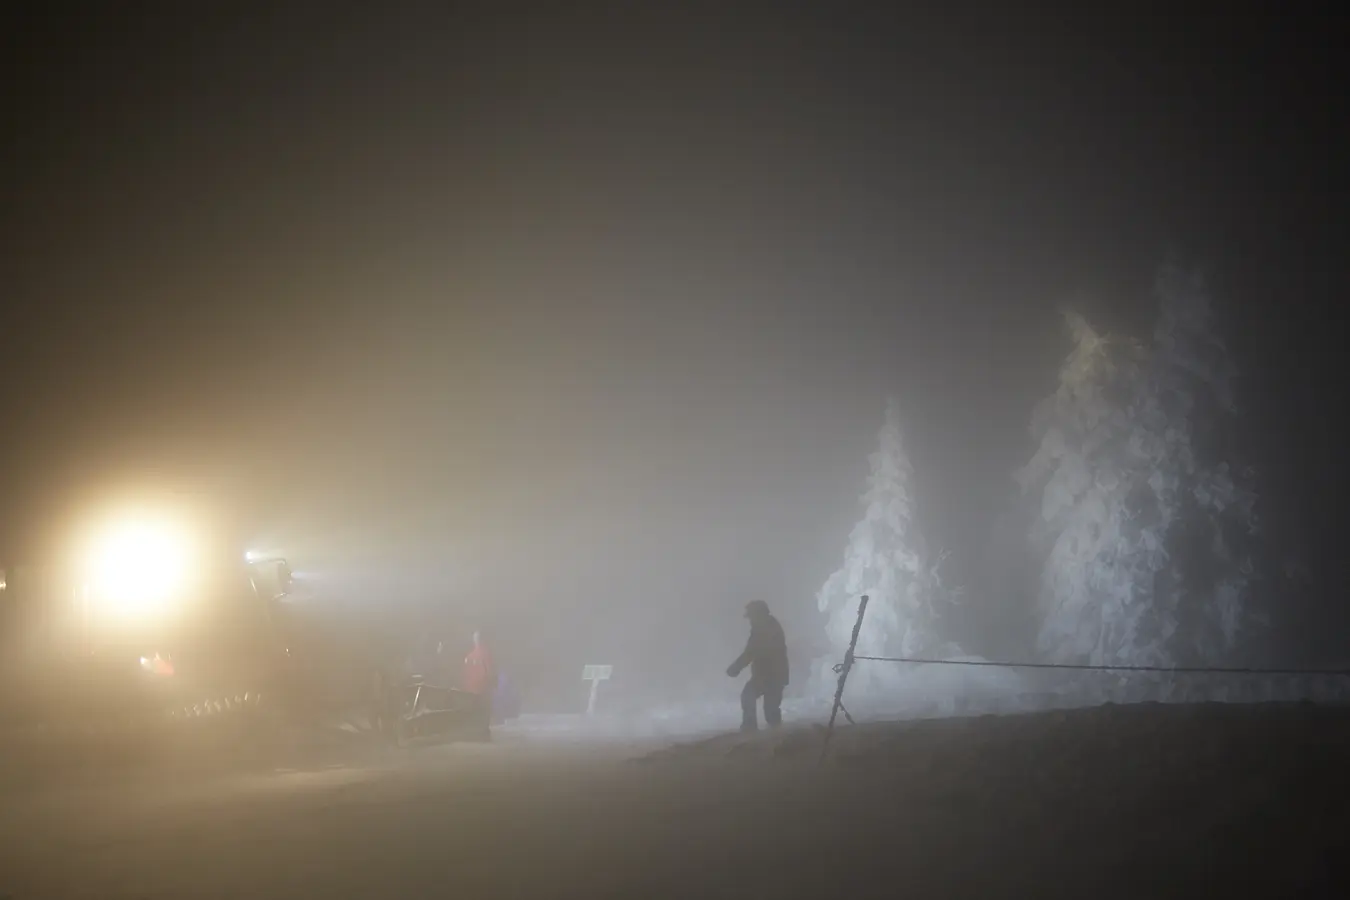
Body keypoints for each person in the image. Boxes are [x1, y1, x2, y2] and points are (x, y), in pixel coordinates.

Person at [726, 600, 789, 732]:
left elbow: (751, 651)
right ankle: (763, 731)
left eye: (751, 616)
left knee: (759, 703)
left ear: (759, 614)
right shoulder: (766, 626)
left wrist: (736, 667)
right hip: (768, 675)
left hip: (771, 676)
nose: (750, 620)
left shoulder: (766, 629)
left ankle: (755, 730)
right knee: (762, 704)